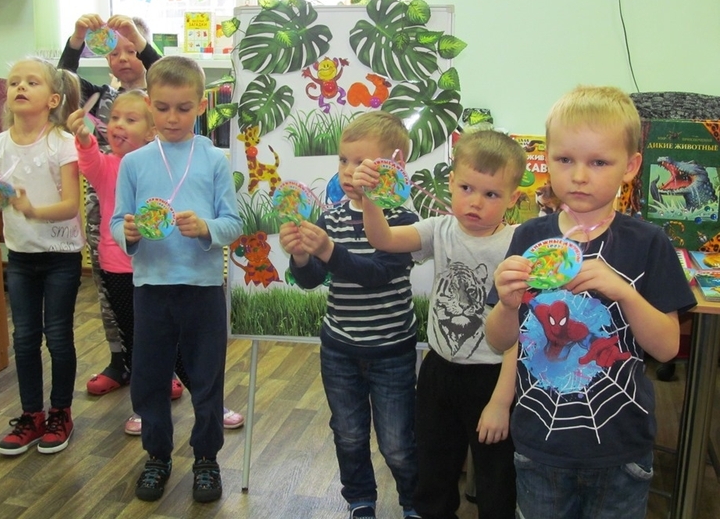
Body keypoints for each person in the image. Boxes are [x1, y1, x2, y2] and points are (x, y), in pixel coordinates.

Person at [485, 85, 697, 519]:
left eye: (599, 162)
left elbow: (667, 348)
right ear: (548, 159)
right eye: (565, 160)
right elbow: (499, 340)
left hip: (622, 449)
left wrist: (623, 291)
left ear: (630, 166)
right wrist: (506, 304)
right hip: (539, 446)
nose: (579, 176)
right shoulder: (528, 237)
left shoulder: (648, 243)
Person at [353, 129, 525, 519]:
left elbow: (520, 330)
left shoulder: (517, 243)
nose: (475, 202)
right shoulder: (439, 229)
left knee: (497, 480)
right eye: (466, 188)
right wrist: (370, 199)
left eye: (491, 194)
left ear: (513, 199)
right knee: (433, 474)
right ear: (451, 182)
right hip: (438, 371)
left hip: (493, 376)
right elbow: (383, 239)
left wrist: (502, 401)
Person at [110, 56, 242, 503]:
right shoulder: (134, 163)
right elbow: (117, 220)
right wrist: (128, 233)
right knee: (149, 378)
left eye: (183, 108)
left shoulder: (215, 160)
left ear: (201, 106)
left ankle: (206, 458)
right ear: (149, 104)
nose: (172, 118)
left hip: (202, 288)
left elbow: (232, 223)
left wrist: (205, 227)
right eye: (163, 108)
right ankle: (157, 456)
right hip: (151, 287)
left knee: (207, 377)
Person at [280, 111, 421, 519]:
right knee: (348, 433)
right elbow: (312, 280)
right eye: (344, 160)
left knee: (397, 442)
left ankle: (414, 501)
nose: (348, 170)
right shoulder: (332, 217)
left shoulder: (404, 222)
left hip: (392, 351)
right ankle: (360, 499)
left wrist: (328, 250)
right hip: (339, 349)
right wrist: (301, 256)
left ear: (392, 167)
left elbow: (376, 275)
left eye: (361, 162)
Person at [0, 57, 84, 456]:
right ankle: (32, 415)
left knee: (58, 336)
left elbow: (70, 206)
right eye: (14, 82)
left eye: (31, 82)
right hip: (21, 257)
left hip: (61, 255)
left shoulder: (62, 143)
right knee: (25, 338)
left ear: (53, 99)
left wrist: (33, 210)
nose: (20, 88)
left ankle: (60, 412)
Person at [59, 13, 163, 397]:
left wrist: (139, 38)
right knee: (109, 290)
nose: (124, 58)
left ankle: (162, 366)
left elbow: (168, 71)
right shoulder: (99, 96)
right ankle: (121, 360)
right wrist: (77, 38)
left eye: (132, 50)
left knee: (154, 297)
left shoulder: (161, 98)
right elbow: (62, 81)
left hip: (150, 211)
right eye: (115, 52)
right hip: (103, 205)